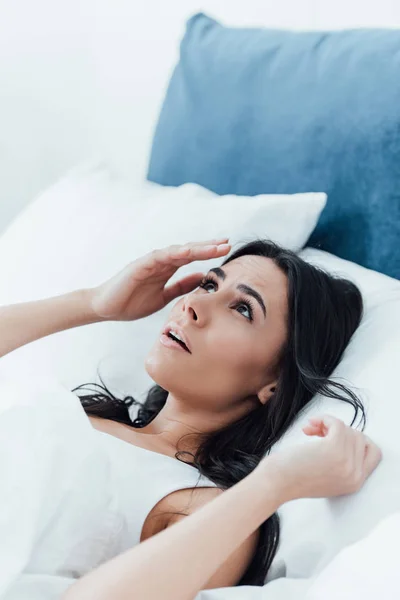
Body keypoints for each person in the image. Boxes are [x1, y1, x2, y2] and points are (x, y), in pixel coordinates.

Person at [0, 237, 382, 600]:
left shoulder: (197, 504)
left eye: (243, 308)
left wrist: (276, 483)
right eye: (209, 284)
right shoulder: (79, 414)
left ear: (276, 383)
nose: (193, 306)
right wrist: (94, 303)